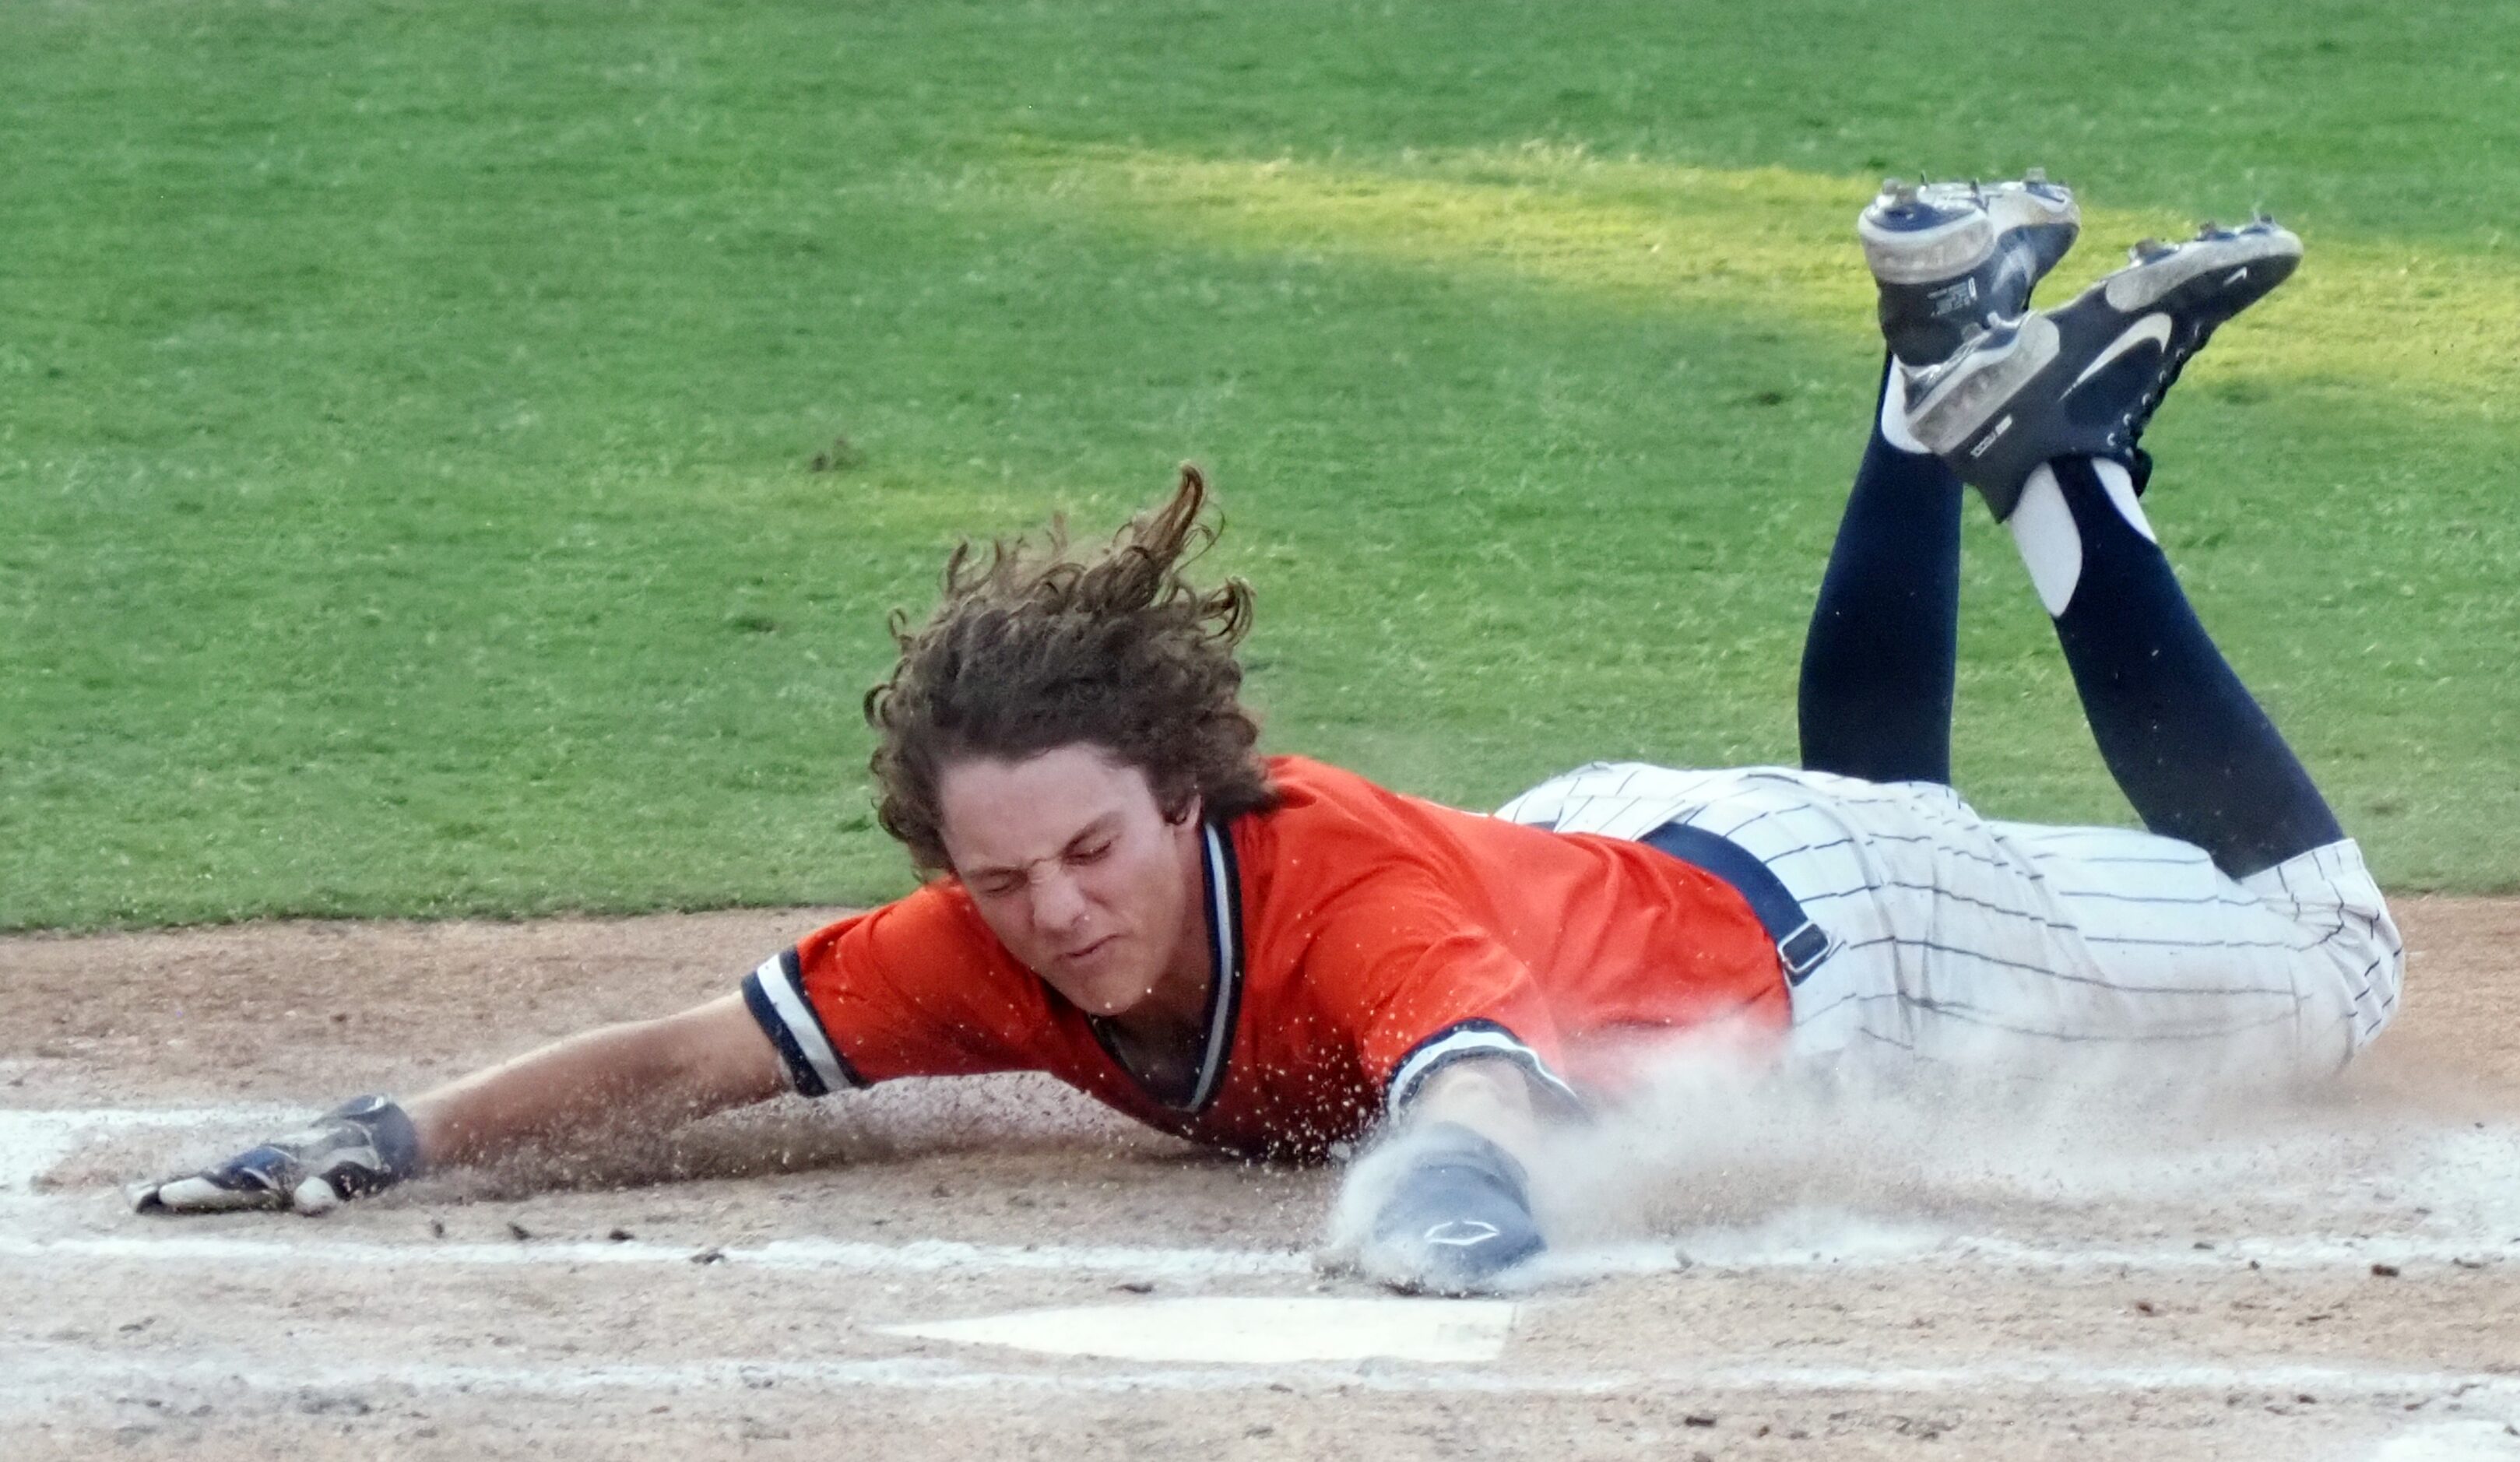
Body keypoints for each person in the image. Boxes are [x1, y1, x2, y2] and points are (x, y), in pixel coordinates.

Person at [135, 174, 2402, 1295]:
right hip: (1631, 862)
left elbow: (1471, 1102)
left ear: (1183, 790)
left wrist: (1426, 1226)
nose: (1057, 917)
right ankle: (1934, 368)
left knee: (2332, 968)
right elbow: (692, 1058)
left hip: (1835, 933)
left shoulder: (1354, 919)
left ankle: (2047, 465)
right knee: (1863, 789)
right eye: (1003, 878)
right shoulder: (1004, 929)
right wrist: (391, 1131)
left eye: (1093, 858)